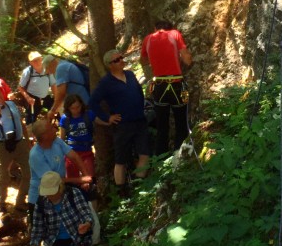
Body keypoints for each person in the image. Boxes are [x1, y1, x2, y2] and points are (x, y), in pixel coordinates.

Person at [89, 49, 150, 189]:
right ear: (109, 65)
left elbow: (139, 93)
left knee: (144, 154)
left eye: (121, 58)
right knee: (121, 160)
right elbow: (93, 102)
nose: (121, 61)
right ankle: (122, 192)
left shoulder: (130, 74)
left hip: (139, 120)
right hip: (122, 125)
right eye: (116, 60)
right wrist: (107, 117)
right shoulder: (106, 82)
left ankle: (138, 186)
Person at [141, 20, 193, 154]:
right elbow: (186, 58)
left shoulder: (148, 39)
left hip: (158, 86)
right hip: (176, 83)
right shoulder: (175, 34)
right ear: (170, 28)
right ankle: (179, 156)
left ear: (155, 28)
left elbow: (143, 60)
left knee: (161, 125)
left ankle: (161, 158)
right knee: (181, 122)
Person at [0, 85, 31, 215]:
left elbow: (21, 123)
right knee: (2, 177)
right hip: (2, 146)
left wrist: (27, 141)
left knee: (28, 173)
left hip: (19, 143)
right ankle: (1, 203)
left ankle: (20, 201)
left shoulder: (11, 105)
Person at [27, 117, 91, 206]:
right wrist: (80, 180)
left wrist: (85, 175)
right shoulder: (36, 155)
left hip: (58, 193)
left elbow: (74, 157)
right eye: (51, 129)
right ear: (44, 136)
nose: (55, 129)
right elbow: (52, 180)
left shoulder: (57, 141)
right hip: (41, 199)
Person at [58, 93, 96, 197]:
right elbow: (62, 139)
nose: (76, 110)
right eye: (73, 108)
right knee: (73, 181)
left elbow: (100, 121)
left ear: (81, 105)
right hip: (71, 153)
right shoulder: (65, 119)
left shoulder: (88, 115)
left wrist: (109, 120)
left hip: (86, 151)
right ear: (68, 108)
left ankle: (90, 200)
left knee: (89, 178)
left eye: (78, 107)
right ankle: (74, 201)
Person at [18, 51, 54, 126]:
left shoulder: (47, 69)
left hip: (46, 96)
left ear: (41, 59)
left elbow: (53, 84)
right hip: (32, 98)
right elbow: (20, 87)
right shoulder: (28, 72)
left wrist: (57, 98)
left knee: (55, 111)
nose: (37, 62)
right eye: (34, 60)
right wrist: (28, 98)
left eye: (38, 59)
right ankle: (30, 134)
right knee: (31, 120)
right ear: (30, 62)